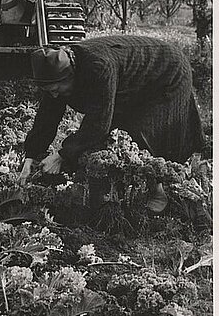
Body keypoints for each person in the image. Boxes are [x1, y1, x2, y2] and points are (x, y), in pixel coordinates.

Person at [18, 36, 206, 214]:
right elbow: (46, 117)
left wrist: (62, 155)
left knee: (143, 132)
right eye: (49, 91)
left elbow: (99, 122)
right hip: (135, 80)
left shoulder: (98, 67)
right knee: (117, 130)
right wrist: (31, 156)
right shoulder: (54, 76)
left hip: (167, 72)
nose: (55, 95)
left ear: (71, 75)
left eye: (57, 89)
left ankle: (159, 191)